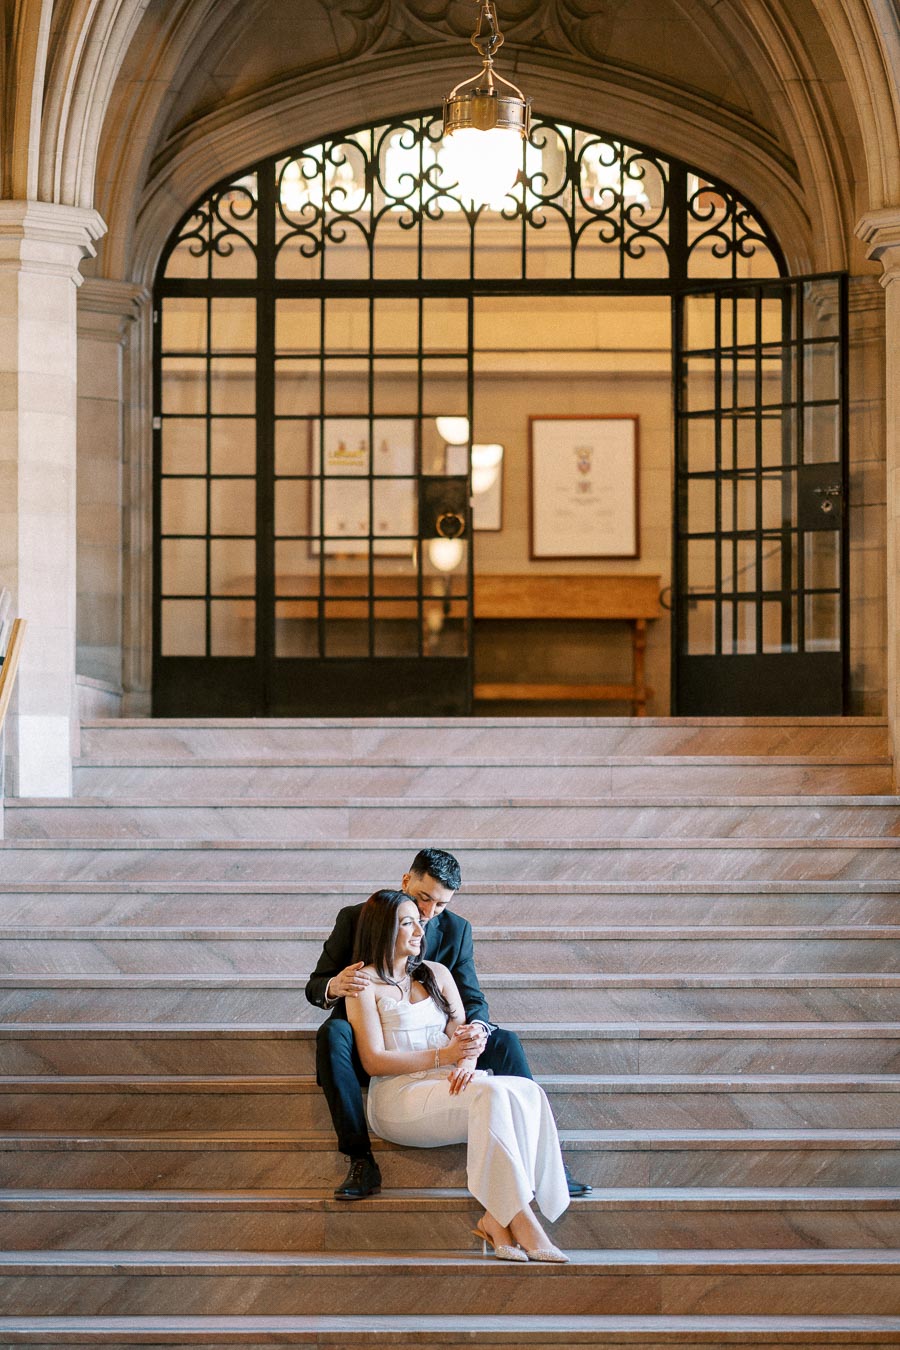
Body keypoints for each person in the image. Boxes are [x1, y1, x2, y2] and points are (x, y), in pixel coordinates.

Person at [305, 846, 591, 1201]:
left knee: (504, 1040)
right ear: (406, 880)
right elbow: (316, 984)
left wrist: (473, 1038)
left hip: (434, 1037)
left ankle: (543, 1163)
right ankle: (360, 1160)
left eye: (440, 905)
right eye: (423, 898)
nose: (427, 914)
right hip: (372, 1043)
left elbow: (471, 999)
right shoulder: (357, 918)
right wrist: (336, 985)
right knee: (333, 1033)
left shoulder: (456, 931)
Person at [347, 888, 569, 1261]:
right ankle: (522, 1219)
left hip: (446, 1084)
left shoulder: (437, 973)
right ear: (383, 929)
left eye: (420, 923)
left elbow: (462, 1037)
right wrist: (444, 1057)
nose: (419, 931)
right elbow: (373, 1061)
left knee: (525, 1090)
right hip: (398, 1098)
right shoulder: (362, 984)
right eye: (407, 923)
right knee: (493, 1094)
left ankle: (495, 1219)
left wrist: (465, 1062)